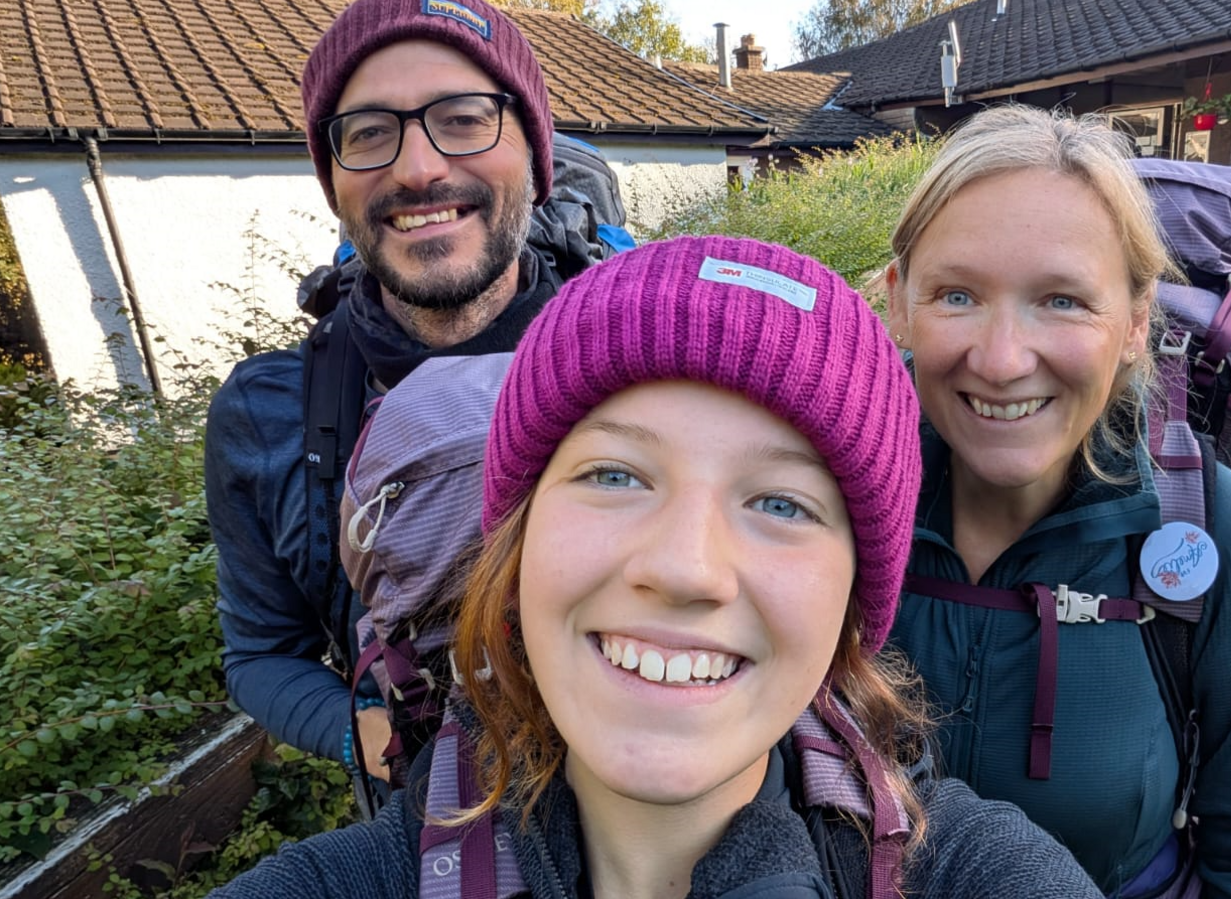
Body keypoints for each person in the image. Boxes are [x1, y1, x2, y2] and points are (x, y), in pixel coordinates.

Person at [208, 235, 1107, 899]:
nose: (685, 567)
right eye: (614, 475)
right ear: (517, 550)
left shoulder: (978, 874)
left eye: (782, 503)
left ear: (853, 601)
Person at [881, 105, 1231, 898]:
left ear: (1137, 324)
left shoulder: (1214, 532)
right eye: (956, 295)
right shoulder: (831, 504)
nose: (1003, 360)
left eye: (1063, 300)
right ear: (899, 300)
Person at [205, 0, 571, 780]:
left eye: (466, 118)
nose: (418, 168)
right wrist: (365, 732)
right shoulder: (270, 413)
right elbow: (262, 652)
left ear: (537, 158)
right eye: (370, 133)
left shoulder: (650, 354)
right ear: (333, 179)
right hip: (424, 822)